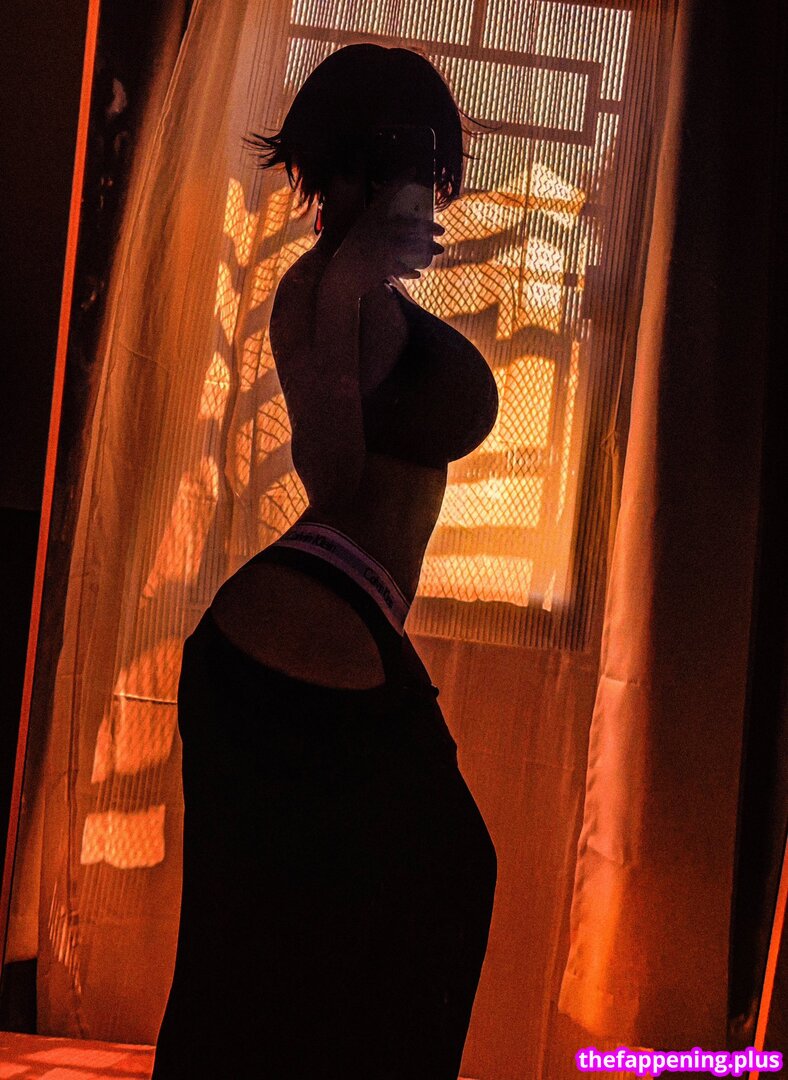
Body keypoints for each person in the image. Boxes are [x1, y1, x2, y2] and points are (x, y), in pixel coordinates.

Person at [151, 44, 498, 1080]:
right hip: (308, 608)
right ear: (343, 165)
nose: (419, 190)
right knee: (428, 883)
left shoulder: (369, 296)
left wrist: (367, 280)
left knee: (309, 923)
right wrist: (350, 278)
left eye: (427, 168)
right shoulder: (316, 293)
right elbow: (334, 472)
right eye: (401, 163)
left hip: (328, 616)